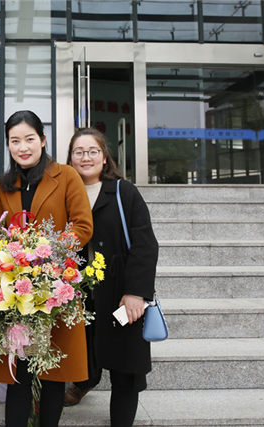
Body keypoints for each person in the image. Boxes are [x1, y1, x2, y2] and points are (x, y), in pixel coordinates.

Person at [0, 110, 93, 427]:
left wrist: (46, 253)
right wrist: (13, 258)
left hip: (55, 288)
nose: (23, 147)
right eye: (15, 141)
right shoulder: (4, 187)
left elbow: (83, 226)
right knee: (19, 372)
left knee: (53, 375)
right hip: (16, 292)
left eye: (29, 139)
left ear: (43, 140)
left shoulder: (66, 176)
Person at [64, 128, 158, 427]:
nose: (86, 157)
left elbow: (145, 245)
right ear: (70, 158)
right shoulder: (65, 192)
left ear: (104, 157)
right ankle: (84, 382)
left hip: (119, 293)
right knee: (83, 351)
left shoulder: (123, 192)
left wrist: (136, 292)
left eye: (93, 151)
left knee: (125, 368)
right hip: (76, 295)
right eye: (79, 152)